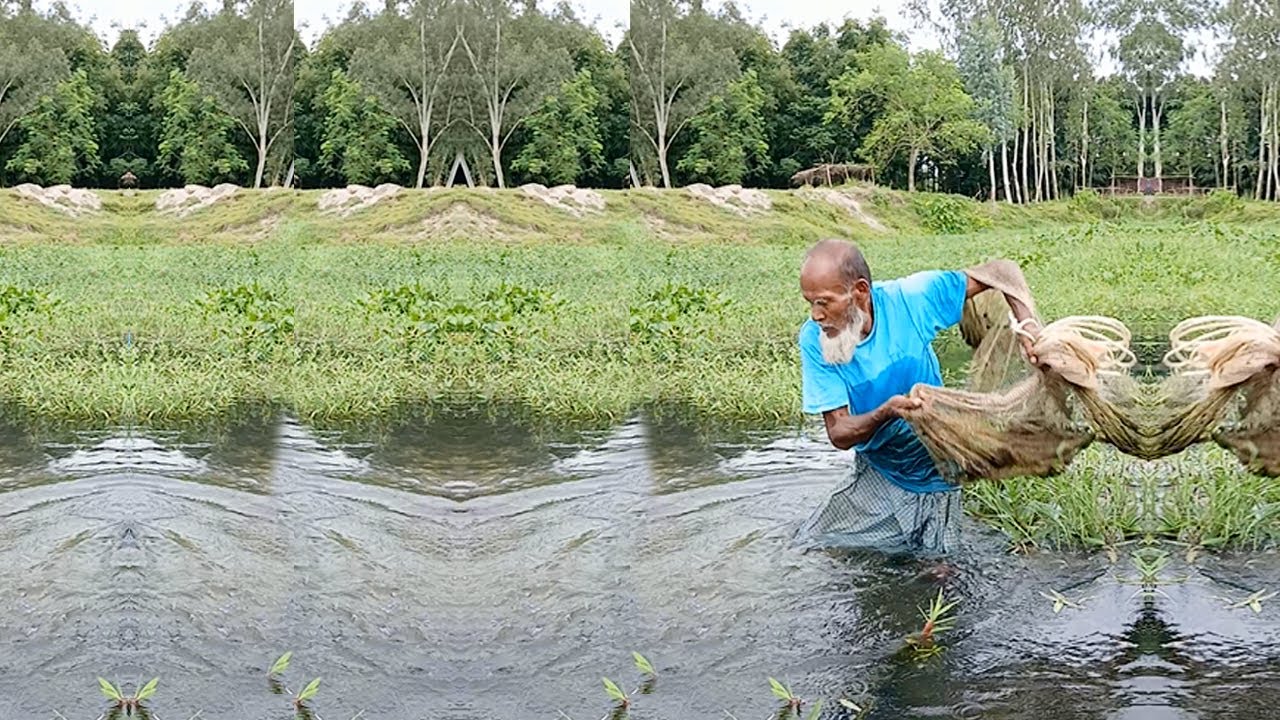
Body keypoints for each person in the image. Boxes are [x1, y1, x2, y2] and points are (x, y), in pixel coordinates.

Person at [794, 238, 1040, 556]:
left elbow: (1003, 271)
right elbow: (839, 433)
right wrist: (887, 412)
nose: (816, 315)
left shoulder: (911, 299)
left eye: (824, 302)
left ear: (860, 291)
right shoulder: (815, 340)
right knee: (824, 544)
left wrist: (1029, 326)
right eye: (810, 303)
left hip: (935, 463)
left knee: (938, 569)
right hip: (881, 466)